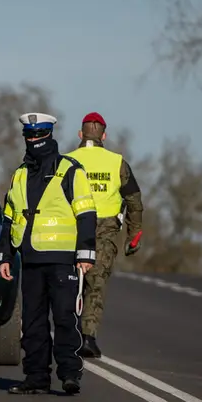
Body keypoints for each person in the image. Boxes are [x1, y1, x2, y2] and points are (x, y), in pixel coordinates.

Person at [0, 112, 97, 395]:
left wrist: (85, 253)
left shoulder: (70, 170)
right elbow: (9, 218)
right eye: (29, 136)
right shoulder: (19, 174)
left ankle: (70, 375)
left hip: (64, 258)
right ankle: (36, 377)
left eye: (39, 135)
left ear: (49, 136)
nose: (34, 141)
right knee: (32, 323)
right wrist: (5, 255)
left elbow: (87, 214)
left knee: (66, 319)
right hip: (30, 260)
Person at [66, 112, 143, 358]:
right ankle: (88, 338)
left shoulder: (65, 161)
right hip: (105, 231)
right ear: (104, 136)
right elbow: (134, 200)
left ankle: (67, 334)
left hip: (71, 229)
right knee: (95, 284)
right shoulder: (117, 162)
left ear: (81, 134)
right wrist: (135, 234)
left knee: (67, 282)